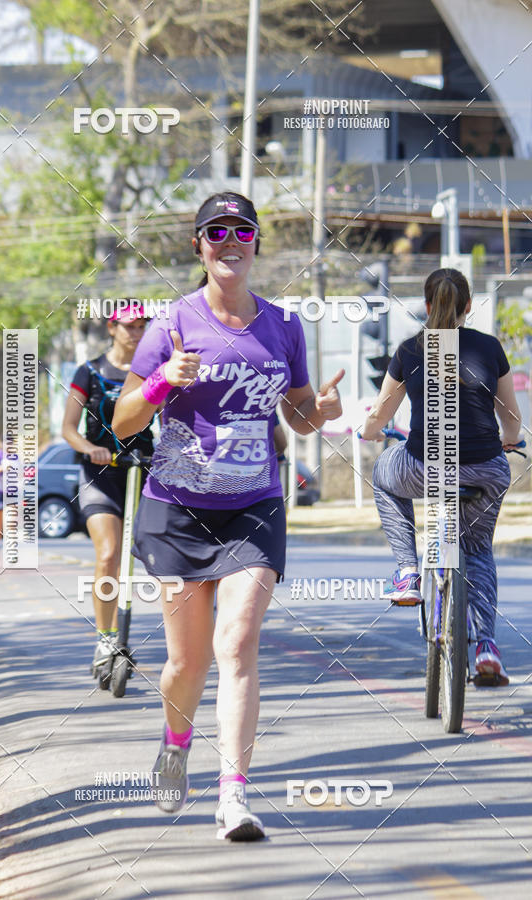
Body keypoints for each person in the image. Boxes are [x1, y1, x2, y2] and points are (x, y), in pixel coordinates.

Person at [112, 191, 345, 841]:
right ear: (199, 246)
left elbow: (296, 414)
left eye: (241, 230)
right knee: (187, 664)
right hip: (179, 510)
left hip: (254, 506)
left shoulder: (283, 326)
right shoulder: (171, 325)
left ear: (256, 244)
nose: (229, 240)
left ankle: (234, 796)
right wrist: (163, 382)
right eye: (216, 231)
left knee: (237, 642)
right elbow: (123, 420)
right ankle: (175, 744)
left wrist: (319, 414)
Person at [360, 267, 522, 684]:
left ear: (428, 306)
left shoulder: (410, 350)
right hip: (485, 469)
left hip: (423, 468)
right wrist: (508, 441)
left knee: (382, 474)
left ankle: (406, 572)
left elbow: (381, 415)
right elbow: (511, 418)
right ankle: (486, 645)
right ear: (469, 306)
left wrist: (370, 432)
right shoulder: (489, 348)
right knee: (479, 548)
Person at [62, 303, 153, 677]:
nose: (136, 332)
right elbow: (68, 428)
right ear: (113, 328)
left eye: (141, 326)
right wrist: (90, 448)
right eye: (129, 326)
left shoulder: (152, 370)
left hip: (141, 471)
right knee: (109, 553)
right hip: (100, 473)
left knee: (162, 556)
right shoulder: (91, 371)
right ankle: (106, 637)